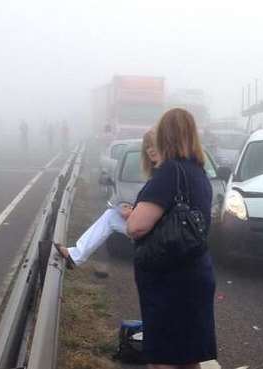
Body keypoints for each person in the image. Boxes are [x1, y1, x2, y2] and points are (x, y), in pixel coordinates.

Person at [126, 108, 217, 369]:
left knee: (163, 360)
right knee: (188, 357)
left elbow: (137, 227)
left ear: (164, 137)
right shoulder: (199, 173)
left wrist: (131, 217)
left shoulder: (169, 172)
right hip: (197, 273)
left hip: (169, 281)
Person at [55, 129, 160, 267]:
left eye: (155, 145)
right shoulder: (158, 172)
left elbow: (161, 211)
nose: (151, 150)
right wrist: (131, 211)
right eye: (147, 146)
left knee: (111, 216)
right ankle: (74, 256)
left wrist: (133, 214)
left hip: (161, 234)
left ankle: (75, 256)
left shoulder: (164, 175)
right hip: (153, 230)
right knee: (111, 215)